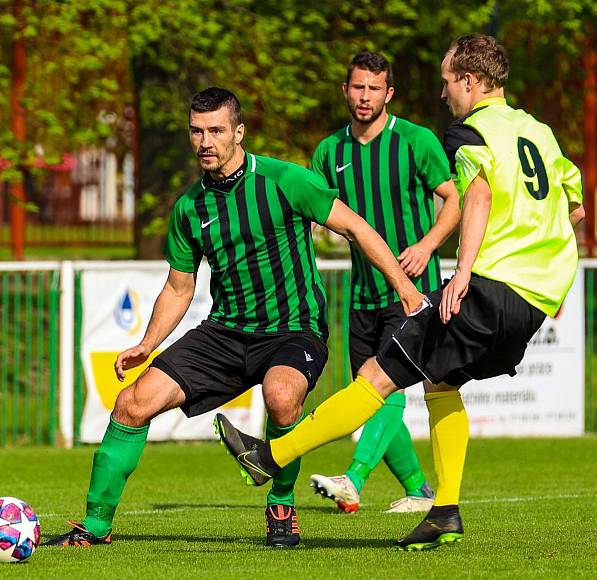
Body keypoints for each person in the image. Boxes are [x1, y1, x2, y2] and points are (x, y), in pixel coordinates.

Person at [215, 34, 585, 551]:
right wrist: (539, 256)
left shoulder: (469, 131)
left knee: (376, 376)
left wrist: (461, 272)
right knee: (441, 384)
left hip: (487, 286)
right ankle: (445, 511)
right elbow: (574, 208)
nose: (443, 94)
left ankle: (268, 457)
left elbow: (474, 196)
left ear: (470, 82)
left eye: (448, 82)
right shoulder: (538, 131)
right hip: (536, 298)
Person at [45, 87, 424, 549]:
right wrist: (148, 343)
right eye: (197, 131)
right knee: (131, 403)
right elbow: (178, 287)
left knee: (282, 396)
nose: (205, 141)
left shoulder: (285, 180)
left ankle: (281, 506)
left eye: (216, 131)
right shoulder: (190, 208)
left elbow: (357, 227)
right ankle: (95, 526)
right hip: (226, 332)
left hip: (294, 328)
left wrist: (404, 288)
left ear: (238, 132)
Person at [307, 52, 461, 514]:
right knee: (367, 389)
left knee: (384, 384)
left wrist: (428, 245)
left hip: (413, 291)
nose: (365, 96)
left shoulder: (416, 141)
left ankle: (353, 478)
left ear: (388, 93)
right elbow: (313, 212)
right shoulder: (328, 152)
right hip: (362, 293)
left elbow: (454, 199)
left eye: (374, 88)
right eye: (358, 87)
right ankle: (419, 488)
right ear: (345, 91)